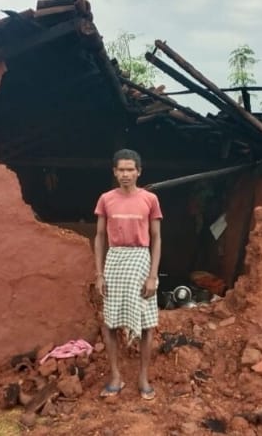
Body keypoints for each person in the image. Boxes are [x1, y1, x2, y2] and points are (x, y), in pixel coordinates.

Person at [94, 149, 162, 400]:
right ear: (114, 171)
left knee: (147, 323)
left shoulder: (150, 199)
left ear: (139, 171)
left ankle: (143, 377)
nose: (125, 174)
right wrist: (99, 273)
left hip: (141, 261)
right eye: (121, 169)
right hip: (114, 261)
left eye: (130, 169)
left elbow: (156, 238)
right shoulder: (105, 199)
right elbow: (100, 237)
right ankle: (115, 376)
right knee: (110, 322)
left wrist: (153, 275)